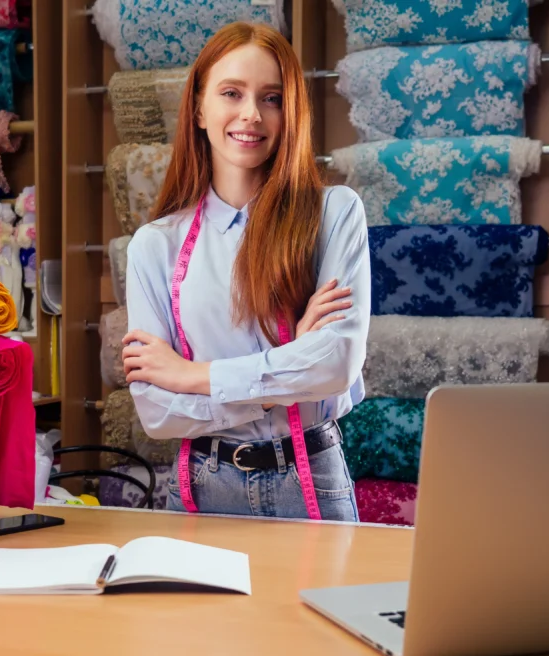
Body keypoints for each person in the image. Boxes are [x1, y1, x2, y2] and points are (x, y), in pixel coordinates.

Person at [121, 22, 370, 521]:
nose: (251, 114)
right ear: (198, 107)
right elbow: (156, 412)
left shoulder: (334, 214)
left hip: (311, 479)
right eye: (231, 93)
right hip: (200, 484)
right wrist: (286, 370)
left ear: (290, 111)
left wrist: (193, 376)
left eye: (272, 98)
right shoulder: (155, 246)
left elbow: (336, 365)